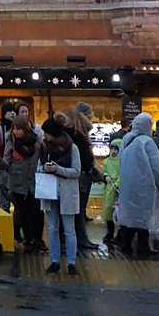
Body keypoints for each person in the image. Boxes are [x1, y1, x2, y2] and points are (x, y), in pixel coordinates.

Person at [114, 112, 159, 257]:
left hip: (127, 184)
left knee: (131, 215)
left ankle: (126, 243)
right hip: (144, 184)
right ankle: (143, 246)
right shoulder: (147, 142)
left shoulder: (126, 139)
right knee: (144, 215)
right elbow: (156, 167)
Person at [37, 116, 82, 276]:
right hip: (49, 192)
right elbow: (39, 168)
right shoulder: (43, 148)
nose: (44, 136)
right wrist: (45, 168)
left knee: (69, 230)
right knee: (52, 228)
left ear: (53, 133)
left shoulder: (72, 148)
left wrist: (58, 169)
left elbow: (76, 171)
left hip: (67, 193)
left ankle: (71, 263)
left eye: (46, 133)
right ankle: (54, 261)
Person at [66, 103, 101, 251]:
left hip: (81, 173)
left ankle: (77, 238)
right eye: (88, 114)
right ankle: (80, 239)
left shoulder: (76, 133)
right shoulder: (77, 133)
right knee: (78, 209)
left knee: (78, 209)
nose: (90, 117)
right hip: (80, 175)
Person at [4, 117, 42, 250]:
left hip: (34, 183)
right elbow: (6, 160)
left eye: (18, 128)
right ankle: (28, 239)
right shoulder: (11, 142)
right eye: (14, 128)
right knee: (24, 212)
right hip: (18, 183)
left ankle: (37, 239)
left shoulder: (36, 142)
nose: (15, 131)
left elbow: (41, 157)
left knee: (37, 211)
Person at [101, 137, 121, 247]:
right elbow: (104, 170)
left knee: (119, 213)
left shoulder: (122, 162)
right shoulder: (106, 161)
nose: (113, 151)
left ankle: (120, 234)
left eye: (116, 149)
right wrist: (106, 176)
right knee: (108, 212)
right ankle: (110, 233)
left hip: (118, 190)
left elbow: (122, 174)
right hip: (109, 189)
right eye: (112, 149)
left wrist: (117, 183)